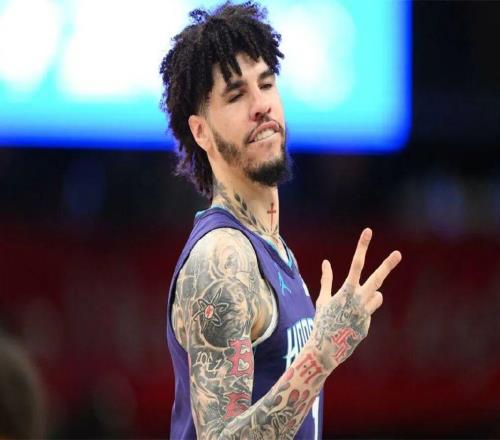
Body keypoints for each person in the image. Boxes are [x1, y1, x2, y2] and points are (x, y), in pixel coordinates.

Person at [160, 2, 402, 438]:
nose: (261, 106)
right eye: (236, 95)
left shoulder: (269, 246)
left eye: (267, 84)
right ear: (201, 131)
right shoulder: (222, 258)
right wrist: (319, 357)